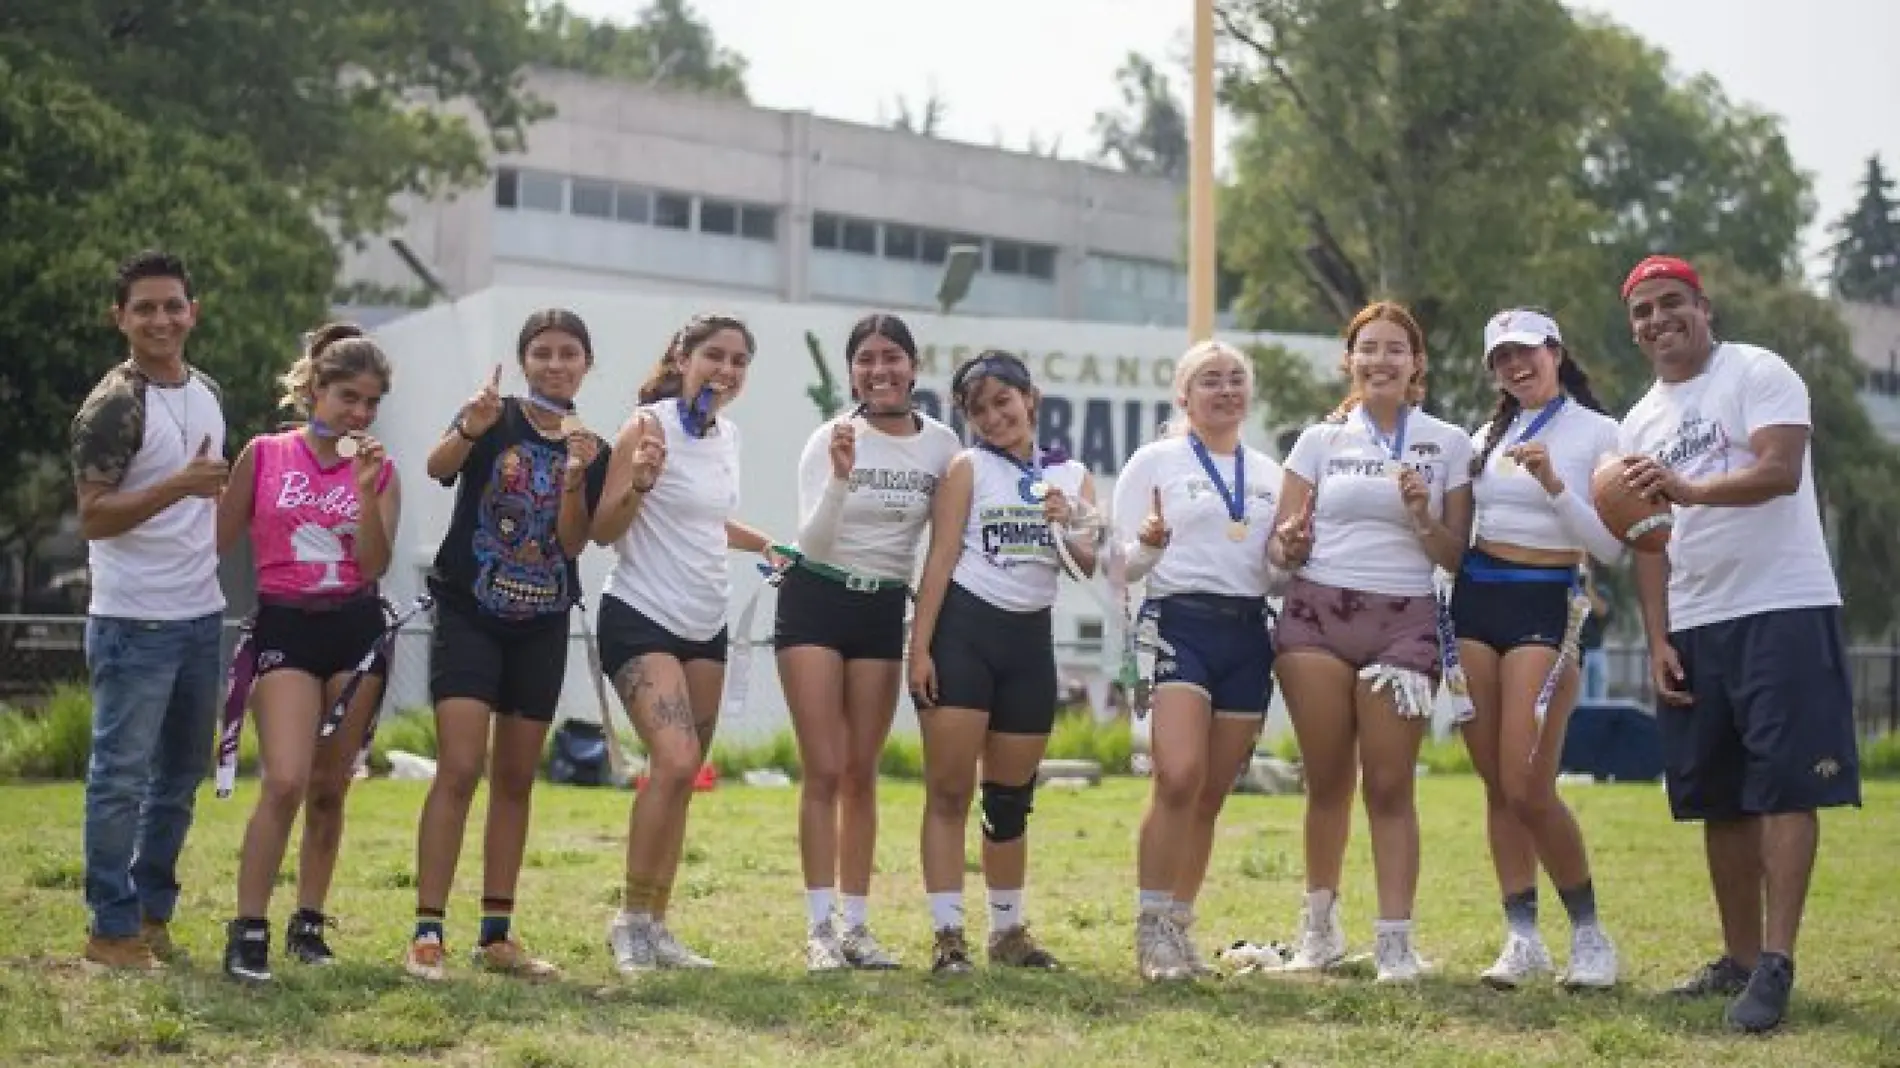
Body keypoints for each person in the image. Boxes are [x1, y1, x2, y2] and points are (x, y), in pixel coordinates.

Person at [1616, 255, 1861, 1033]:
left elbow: (1779, 471)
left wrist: (1688, 489)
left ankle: (1779, 963)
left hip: (1780, 605)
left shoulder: (1759, 371)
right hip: (1694, 617)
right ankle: (1739, 957)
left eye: (1671, 303)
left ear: (1703, 306)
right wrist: (1657, 637)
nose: (1658, 320)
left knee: (1785, 785)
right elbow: (1647, 539)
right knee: (1717, 794)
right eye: (1643, 311)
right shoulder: (1636, 421)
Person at [1266, 301, 1474, 983]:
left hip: (1406, 620)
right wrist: (1289, 544)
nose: (1380, 360)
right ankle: (1317, 933)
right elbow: (1280, 546)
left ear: (1417, 364)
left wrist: (1421, 515)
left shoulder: (1448, 443)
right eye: (1368, 349)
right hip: (1317, 617)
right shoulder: (1319, 442)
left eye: (1395, 349)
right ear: (1349, 361)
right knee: (1327, 782)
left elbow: (1453, 555)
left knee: (1388, 786)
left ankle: (1394, 944)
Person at [407, 309, 611, 981]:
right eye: (543, 353)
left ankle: (496, 935)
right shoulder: (494, 415)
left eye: (569, 353)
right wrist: (470, 421)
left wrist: (580, 477)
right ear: (526, 360)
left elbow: (577, 541)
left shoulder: (594, 448)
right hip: (471, 611)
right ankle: (427, 931)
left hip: (544, 620)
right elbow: (438, 465)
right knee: (461, 767)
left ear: (587, 364)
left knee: (517, 778)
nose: (556, 364)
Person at [213, 324, 402, 982]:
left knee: (329, 789)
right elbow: (215, 536)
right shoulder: (264, 454)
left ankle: (310, 923)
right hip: (285, 627)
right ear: (315, 388)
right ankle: (248, 929)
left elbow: (375, 562)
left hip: (355, 628)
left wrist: (370, 489)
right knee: (287, 780)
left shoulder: (380, 468)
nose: (359, 413)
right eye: (348, 397)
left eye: (371, 403)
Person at [597, 313, 781, 974]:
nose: (725, 371)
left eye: (738, 362)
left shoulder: (726, 435)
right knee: (673, 761)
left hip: (707, 625)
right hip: (641, 614)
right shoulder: (646, 427)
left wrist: (762, 542)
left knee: (682, 779)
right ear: (682, 356)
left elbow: (702, 518)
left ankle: (658, 924)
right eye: (714, 356)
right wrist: (641, 481)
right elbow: (601, 526)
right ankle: (629, 924)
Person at [775, 314, 960, 971]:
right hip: (816, 598)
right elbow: (813, 541)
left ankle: (857, 926)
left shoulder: (942, 446)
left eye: (891, 357)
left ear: (912, 366)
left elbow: (945, 544)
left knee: (861, 773)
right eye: (865, 360)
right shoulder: (833, 436)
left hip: (883, 608)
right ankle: (820, 929)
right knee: (823, 769)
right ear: (852, 370)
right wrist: (842, 476)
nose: (879, 370)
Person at [908, 351, 1096, 976]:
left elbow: (1089, 563)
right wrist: (920, 649)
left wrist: (1068, 523)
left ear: (1030, 397)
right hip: (964, 635)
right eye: (978, 409)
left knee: (1010, 800)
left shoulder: (1071, 475)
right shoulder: (968, 468)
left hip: (1028, 646)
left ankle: (1008, 933)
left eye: (1003, 401)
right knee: (950, 791)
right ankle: (947, 937)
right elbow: (937, 563)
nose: (994, 417)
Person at [1451, 307, 1622, 990]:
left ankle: (1590, 936)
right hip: (1473, 602)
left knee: (1528, 784)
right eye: (1502, 359)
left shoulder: (1600, 432)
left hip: (1545, 603)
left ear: (1556, 351)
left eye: (1527, 352)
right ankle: (1522, 938)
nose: (1516, 367)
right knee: (1497, 783)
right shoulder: (1486, 434)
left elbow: (1610, 546)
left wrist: (1554, 483)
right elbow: (1459, 530)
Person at [70, 249, 229, 971]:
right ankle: (109, 928)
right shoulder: (112, 404)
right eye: (145, 308)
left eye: (173, 305)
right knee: (120, 778)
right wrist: (179, 484)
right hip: (134, 623)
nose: (161, 319)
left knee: (177, 778)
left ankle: (151, 914)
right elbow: (94, 517)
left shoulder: (208, 391)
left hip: (201, 618)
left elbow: (208, 501)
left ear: (192, 312)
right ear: (120, 318)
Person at [1113, 339, 1284, 982]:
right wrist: (1149, 546)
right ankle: (1150, 925)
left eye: (1235, 379)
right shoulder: (1155, 461)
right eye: (1209, 380)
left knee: (1211, 792)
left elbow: (1273, 575)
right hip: (1177, 623)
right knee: (1178, 775)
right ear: (1183, 396)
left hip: (1246, 632)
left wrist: (1289, 557)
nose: (1225, 390)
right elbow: (1119, 565)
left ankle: (1180, 927)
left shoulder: (1268, 473)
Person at [1579, 568, 1612, 702]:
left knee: (1599, 699)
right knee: (1580, 699)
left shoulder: (1601, 591)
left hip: (1596, 651)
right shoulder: (1570, 590)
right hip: (1576, 652)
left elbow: (1602, 612)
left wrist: (1587, 588)